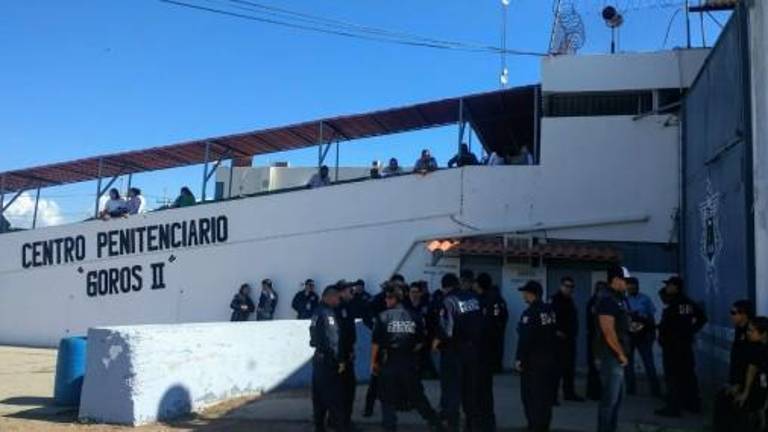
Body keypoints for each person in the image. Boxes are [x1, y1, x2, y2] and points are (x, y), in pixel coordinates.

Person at [371, 283, 444, 432]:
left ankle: (389, 427)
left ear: (394, 299)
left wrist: (373, 362)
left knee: (387, 399)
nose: (386, 301)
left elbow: (376, 344)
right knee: (417, 396)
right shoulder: (414, 316)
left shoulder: (383, 316)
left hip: (389, 362)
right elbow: (420, 342)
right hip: (409, 362)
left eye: (388, 298)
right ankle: (434, 422)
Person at [433, 272, 489, 432]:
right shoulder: (473, 298)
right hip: (473, 351)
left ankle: (452, 425)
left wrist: (436, 343)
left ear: (445, 287)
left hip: (454, 351)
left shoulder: (449, 300)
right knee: (470, 389)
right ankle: (471, 425)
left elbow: (447, 329)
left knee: (452, 390)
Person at [655, 275, 708, 417]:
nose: (667, 287)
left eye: (669, 285)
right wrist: (690, 331)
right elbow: (700, 318)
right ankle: (691, 404)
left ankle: (674, 408)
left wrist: (690, 331)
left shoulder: (680, 303)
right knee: (687, 375)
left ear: (676, 287)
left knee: (673, 377)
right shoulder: (682, 302)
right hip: (682, 345)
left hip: (674, 346)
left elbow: (701, 318)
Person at [516, 280, 558, 432]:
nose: (523, 295)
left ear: (530, 294)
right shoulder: (549, 310)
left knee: (531, 398)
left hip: (533, 363)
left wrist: (519, 359)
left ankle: (534, 427)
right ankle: (543, 426)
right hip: (549, 360)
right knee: (545, 398)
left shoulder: (530, 313)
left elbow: (525, 339)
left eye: (525, 292)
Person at [595, 265, 632, 432]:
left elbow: (620, 326)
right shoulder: (607, 299)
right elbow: (608, 331)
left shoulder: (620, 299)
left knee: (616, 400)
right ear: (616, 280)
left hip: (619, 356)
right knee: (609, 402)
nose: (627, 284)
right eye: (625, 280)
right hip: (611, 356)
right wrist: (620, 354)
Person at [363, 274, 406, 417]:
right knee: (376, 379)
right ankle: (369, 408)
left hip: (399, 343)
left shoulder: (402, 297)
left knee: (401, 378)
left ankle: (401, 404)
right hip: (383, 343)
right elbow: (367, 313)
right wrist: (374, 326)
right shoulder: (381, 298)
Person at [309, 285, 349, 432]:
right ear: (330, 297)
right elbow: (332, 340)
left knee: (318, 398)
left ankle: (319, 428)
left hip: (318, 359)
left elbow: (313, 338)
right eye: (337, 297)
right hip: (328, 362)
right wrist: (339, 361)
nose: (339, 300)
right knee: (335, 398)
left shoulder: (317, 312)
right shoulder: (328, 314)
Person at [714, 300, 755, 432]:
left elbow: (751, 362)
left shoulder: (751, 332)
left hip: (748, 381)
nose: (731, 315)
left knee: (734, 405)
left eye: (734, 312)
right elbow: (737, 359)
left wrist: (739, 384)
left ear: (744, 314)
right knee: (723, 399)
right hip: (737, 379)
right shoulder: (740, 329)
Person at [474, 272, 502, 429]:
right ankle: (486, 419)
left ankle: (484, 420)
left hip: (482, 350)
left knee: (481, 387)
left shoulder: (485, 300)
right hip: (489, 349)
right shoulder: (494, 298)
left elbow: (486, 326)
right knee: (484, 387)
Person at [624, 277, 661, 397]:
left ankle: (655, 391)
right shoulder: (623, 300)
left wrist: (652, 334)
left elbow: (651, 317)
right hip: (629, 336)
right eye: (629, 286)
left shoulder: (645, 299)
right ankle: (630, 389)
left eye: (634, 286)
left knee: (649, 363)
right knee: (628, 365)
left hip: (644, 336)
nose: (632, 288)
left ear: (637, 286)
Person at [551, 276, 584, 402]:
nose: (569, 289)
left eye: (571, 287)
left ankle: (569, 393)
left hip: (570, 340)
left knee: (569, 369)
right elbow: (550, 318)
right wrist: (556, 331)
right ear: (561, 286)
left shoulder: (569, 301)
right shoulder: (555, 300)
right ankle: (552, 397)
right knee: (556, 370)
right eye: (567, 286)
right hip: (558, 342)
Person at [733, 316, 768, 430]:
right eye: (748, 329)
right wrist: (745, 392)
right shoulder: (756, 347)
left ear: (763, 334)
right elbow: (752, 368)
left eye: (751, 331)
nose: (748, 333)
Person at [335, 281, 358, 429]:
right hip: (341, 357)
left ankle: (340, 420)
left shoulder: (347, 306)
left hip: (346, 354)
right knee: (345, 390)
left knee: (345, 389)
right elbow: (338, 335)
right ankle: (343, 423)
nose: (353, 293)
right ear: (342, 291)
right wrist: (344, 356)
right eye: (350, 290)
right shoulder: (338, 308)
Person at [405, 281, 438, 379]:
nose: (414, 294)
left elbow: (432, 322)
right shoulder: (405, 306)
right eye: (412, 292)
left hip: (424, 337)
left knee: (425, 356)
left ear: (420, 293)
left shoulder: (427, 306)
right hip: (409, 337)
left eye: (416, 292)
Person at [586, 281, 608, 400]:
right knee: (595, 367)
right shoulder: (594, 303)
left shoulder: (597, 302)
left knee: (598, 367)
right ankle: (594, 392)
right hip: (596, 338)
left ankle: (596, 391)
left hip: (598, 338)